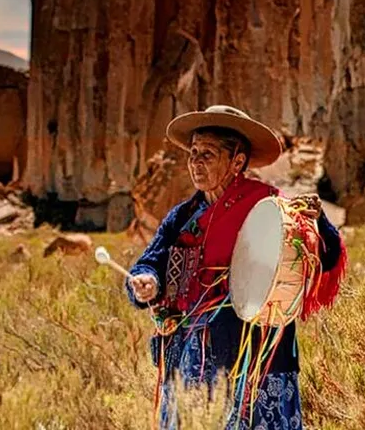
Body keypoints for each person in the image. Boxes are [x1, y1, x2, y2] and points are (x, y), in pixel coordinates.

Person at [126, 105, 346, 430]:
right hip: (188, 361)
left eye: (208, 155)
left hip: (257, 361)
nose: (196, 163)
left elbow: (324, 255)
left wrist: (318, 223)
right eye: (193, 153)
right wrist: (147, 280)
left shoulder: (270, 207)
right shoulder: (181, 217)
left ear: (237, 162)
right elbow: (150, 263)